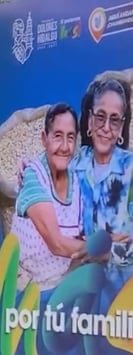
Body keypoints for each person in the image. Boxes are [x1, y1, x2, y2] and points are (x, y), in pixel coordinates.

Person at [11, 103, 84, 307]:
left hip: (63, 285)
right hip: (28, 294)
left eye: (70, 137)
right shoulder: (33, 177)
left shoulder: (78, 177)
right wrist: (105, 249)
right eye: (58, 136)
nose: (65, 146)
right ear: (44, 139)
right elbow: (57, 244)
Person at [72, 78, 133, 305]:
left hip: (122, 302)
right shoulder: (73, 165)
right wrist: (28, 170)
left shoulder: (131, 170)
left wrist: (109, 251)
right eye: (100, 116)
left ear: (121, 126)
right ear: (90, 120)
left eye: (114, 120)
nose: (106, 127)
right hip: (78, 297)